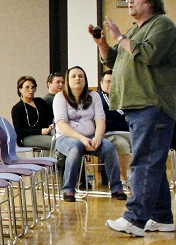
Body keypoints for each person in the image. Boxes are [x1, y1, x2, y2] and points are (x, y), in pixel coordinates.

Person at [94, 0, 176, 237]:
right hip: (137, 105)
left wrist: (120, 37)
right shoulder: (135, 29)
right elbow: (114, 60)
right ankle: (162, 218)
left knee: (144, 161)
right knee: (152, 162)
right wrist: (103, 43)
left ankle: (134, 219)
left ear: (151, 2)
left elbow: (149, 55)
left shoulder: (162, 25)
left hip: (153, 104)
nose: (130, 1)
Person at [52, 65, 126, 203]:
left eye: (81, 76)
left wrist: (98, 137)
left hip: (91, 137)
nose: (77, 78)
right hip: (66, 138)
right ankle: (69, 189)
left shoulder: (94, 96)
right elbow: (61, 124)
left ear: (85, 80)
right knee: (76, 147)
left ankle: (116, 187)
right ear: (68, 80)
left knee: (109, 147)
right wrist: (82, 139)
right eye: (73, 76)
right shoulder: (60, 97)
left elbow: (100, 120)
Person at [96, 71, 132, 185]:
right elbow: (112, 116)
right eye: (108, 81)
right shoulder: (99, 98)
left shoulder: (123, 96)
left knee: (145, 143)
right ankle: (124, 179)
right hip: (110, 133)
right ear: (101, 83)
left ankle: (140, 178)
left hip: (127, 132)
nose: (111, 84)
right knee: (122, 145)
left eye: (114, 82)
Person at [10, 75, 54, 151]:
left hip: (48, 131)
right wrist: (40, 131)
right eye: (27, 87)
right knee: (55, 142)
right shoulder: (17, 108)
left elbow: (49, 118)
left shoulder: (40, 101)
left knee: (62, 139)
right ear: (20, 89)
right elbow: (19, 131)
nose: (31, 90)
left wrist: (51, 126)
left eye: (33, 87)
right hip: (29, 137)